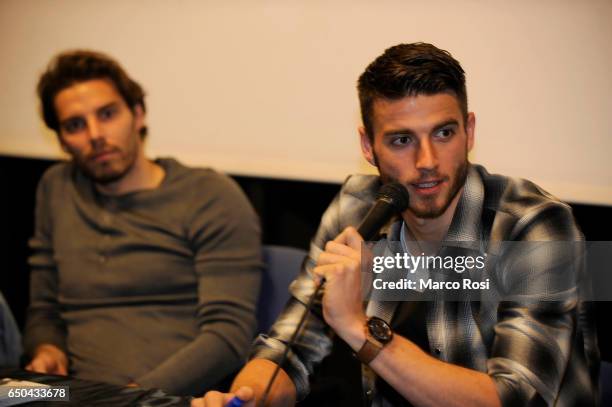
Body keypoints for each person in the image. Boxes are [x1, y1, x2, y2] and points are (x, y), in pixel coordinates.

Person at [197, 43, 599, 406]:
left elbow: (516, 399)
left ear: (469, 131)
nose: (427, 160)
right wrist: (247, 397)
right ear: (368, 146)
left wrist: (359, 330)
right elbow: (289, 348)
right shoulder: (356, 209)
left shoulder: (536, 225)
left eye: (443, 133)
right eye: (401, 140)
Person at [23, 50, 262, 396]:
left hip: (161, 397)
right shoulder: (56, 188)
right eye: (75, 125)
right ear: (61, 139)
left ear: (137, 113)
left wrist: (130, 398)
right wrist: (47, 349)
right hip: (67, 395)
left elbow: (228, 337)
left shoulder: (208, 195)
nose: (95, 135)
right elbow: (43, 309)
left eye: (107, 114)